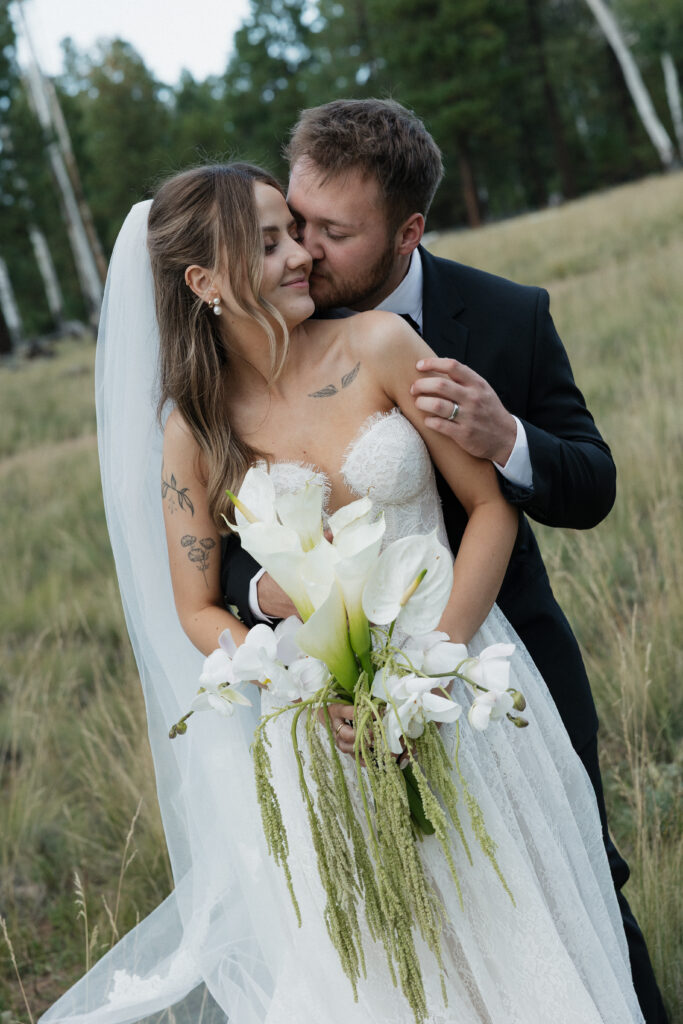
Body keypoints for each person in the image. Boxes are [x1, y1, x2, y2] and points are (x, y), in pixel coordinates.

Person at [40, 162, 647, 1024]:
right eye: (268, 242)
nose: (299, 258)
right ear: (204, 282)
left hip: (460, 684)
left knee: (526, 933)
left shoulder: (379, 345)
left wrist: (437, 665)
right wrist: (300, 674)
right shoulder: (194, 428)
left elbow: (486, 511)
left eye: (294, 233)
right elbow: (196, 608)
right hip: (327, 730)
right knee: (399, 966)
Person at [221, 99, 666, 1023]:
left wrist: (510, 440)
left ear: (407, 231)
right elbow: (228, 550)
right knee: (405, 928)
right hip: (339, 697)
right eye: (294, 222)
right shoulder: (263, 345)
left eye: (333, 233)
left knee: (574, 881)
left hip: (510, 663)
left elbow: (592, 482)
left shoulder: (505, 315)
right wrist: (280, 602)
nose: (302, 252)